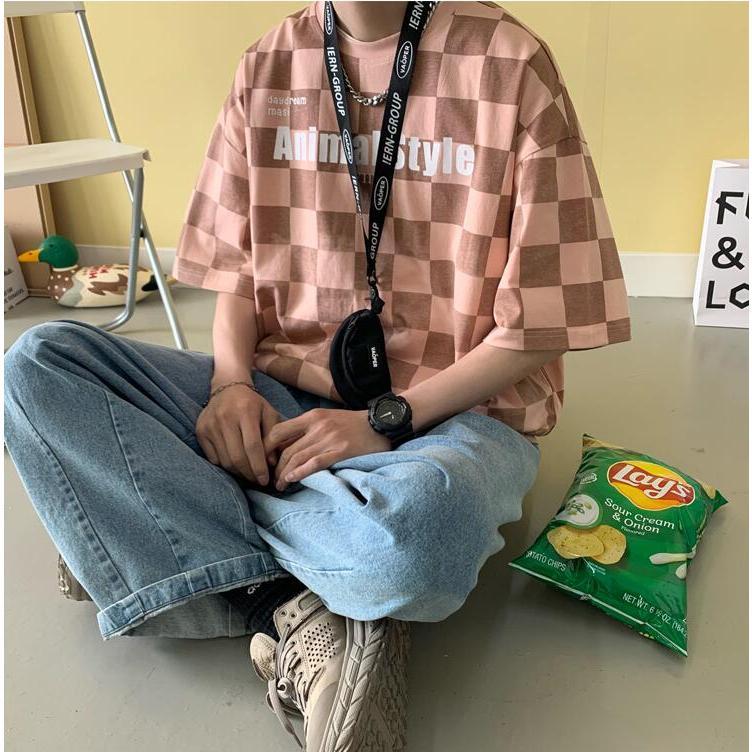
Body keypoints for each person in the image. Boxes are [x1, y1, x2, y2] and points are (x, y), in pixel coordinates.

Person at [3, 2, 631, 750]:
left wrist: (383, 422)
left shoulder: (511, 63)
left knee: (419, 534)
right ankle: (301, 601)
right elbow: (238, 273)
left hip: (454, 417)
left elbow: (541, 324)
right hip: (281, 399)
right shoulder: (268, 63)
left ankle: (163, 529)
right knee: (37, 368)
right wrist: (231, 385)